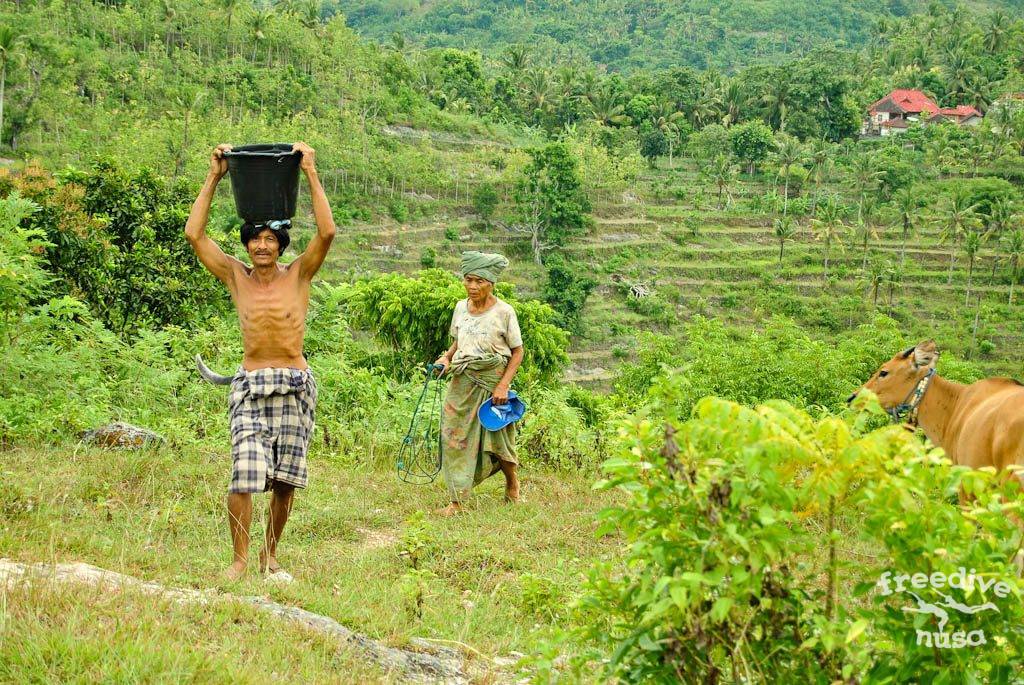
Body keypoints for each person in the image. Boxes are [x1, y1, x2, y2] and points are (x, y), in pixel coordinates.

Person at [184, 142, 336, 580]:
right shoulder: (235, 275)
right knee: (243, 474)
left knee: (285, 481)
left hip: (294, 384)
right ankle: (239, 560)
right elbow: (195, 234)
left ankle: (270, 556)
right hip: (250, 385)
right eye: (255, 239)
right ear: (247, 245)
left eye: (270, 239)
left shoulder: (299, 275)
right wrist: (214, 175)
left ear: (281, 245)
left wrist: (309, 169)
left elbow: (326, 234)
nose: (262, 246)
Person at [433, 251, 524, 516]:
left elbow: (517, 352)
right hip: (462, 381)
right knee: (453, 435)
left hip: (491, 382)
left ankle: (512, 485)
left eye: (479, 281)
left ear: (491, 282)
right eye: (468, 280)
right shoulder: (461, 308)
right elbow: (458, 341)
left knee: (498, 440)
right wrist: (446, 358)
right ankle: (457, 501)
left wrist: (503, 386)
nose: (472, 286)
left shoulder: (504, 312)